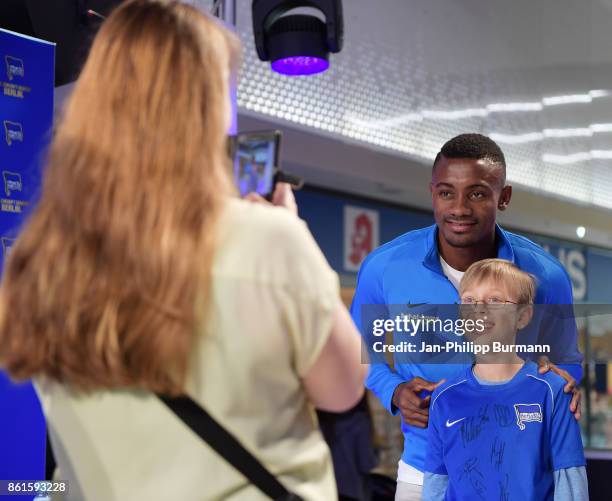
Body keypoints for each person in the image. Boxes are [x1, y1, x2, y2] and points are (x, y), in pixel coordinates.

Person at [0, 1, 366, 499]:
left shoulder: (40, 264)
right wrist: (293, 237)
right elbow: (343, 390)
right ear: (204, 107)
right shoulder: (270, 242)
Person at [351, 133, 583, 500]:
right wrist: (394, 391)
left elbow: (568, 360)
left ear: (503, 197)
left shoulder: (547, 275)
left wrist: (563, 381)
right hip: (425, 465)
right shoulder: (385, 267)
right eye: (446, 192)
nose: (459, 207)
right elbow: (361, 351)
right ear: (432, 193)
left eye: (476, 193)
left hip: (521, 470)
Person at [423, 259, 588, 500]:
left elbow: (570, 484)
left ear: (523, 316)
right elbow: (435, 485)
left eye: (495, 300)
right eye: (469, 300)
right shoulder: (444, 398)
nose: (479, 309)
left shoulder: (552, 392)